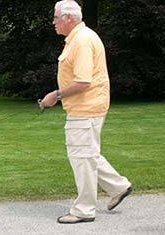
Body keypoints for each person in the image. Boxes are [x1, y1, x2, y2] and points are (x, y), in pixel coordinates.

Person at [38, 0, 133, 224]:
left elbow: (83, 82)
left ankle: (84, 210)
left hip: (86, 108)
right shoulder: (79, 38)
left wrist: (55, 96)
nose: (53, 23)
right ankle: (119, 187)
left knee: (81, 158)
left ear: (68, 19)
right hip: (88, 107)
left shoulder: (81, 41)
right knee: (87, 154)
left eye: (56, 18)